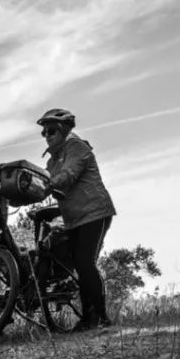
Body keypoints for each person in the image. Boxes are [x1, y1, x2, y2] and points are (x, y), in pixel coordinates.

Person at [37, 108, 117, 331]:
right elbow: (44, 186)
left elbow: (68, 175)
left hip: (94, 212)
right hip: (74, 218)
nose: (46, 135)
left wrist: (49, 184)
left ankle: (100, 316)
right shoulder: (52, 160)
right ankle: (88, 318)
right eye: (43, 133)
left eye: (51, 130)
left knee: (85, 262)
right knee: (80, 266)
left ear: (63, 129)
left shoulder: (76, 146)